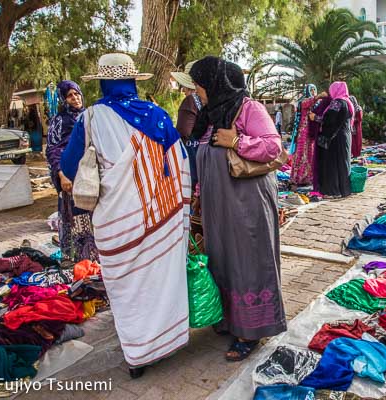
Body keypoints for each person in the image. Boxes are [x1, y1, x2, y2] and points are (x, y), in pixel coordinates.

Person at [60, 54, 191, 379]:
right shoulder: (159, 116)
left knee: (129, 287)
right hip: (162, 218)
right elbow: (183, 164)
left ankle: (137, 354)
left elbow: (67, 166)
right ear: (133, 81)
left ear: (104, 83)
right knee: (159, 279)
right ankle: (166, 341)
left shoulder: (91, 118)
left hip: (118, 226)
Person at [189, 56, 286, 361]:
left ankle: (252, 329)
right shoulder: (208, 115)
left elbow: (274, 146)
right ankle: (230, 318)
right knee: (223, 258)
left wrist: (237, 141)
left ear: (217, 84)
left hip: (247, 202)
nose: (196, 91)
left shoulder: (249, 108)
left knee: (249, 259)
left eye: (199, 84)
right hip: (218, 204)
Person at [45, 80, 98, 264]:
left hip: (90, 175)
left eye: (76, 94)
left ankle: (94, 257)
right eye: (69, 95)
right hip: (71, 178)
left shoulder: (89, 115)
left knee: (92, 216)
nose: (75, 98)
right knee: (75, 217)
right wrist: (62, 174)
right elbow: (53, 149)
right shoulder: (59, 121)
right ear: (63, 100)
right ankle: (77, 259)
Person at [172, 61, 203, 243]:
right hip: (208, 158)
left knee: (195, 211)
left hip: (193, 161)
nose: (183, 90)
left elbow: (183, 132)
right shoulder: (213, 101)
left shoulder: (191, 101)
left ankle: (197, 253)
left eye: (185, 85)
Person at [311, 81, 354, 198]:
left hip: (335, 138)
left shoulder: (337, 102)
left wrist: (315, 117)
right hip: (344, 136)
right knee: (342, 163)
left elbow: (329, 119)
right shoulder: (347, 101)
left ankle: (333, 191)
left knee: (332, 164)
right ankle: (343, 190)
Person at [290, 84, 319, 186]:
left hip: (312, 132)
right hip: (303, 131)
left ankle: (308, 178)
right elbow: (310, 101)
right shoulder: (303, 101)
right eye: (311, 90)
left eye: (314, 90)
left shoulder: (316, 103)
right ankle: (298, 178)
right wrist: (318, 96)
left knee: (310, 154)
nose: (312, 92)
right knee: (302, 153)